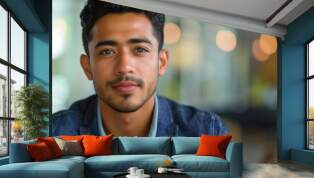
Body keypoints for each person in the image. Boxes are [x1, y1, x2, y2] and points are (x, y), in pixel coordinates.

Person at [52, 0, 228, 137]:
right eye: (107, 51)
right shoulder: (55, 133)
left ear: (162, 62)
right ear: (87, 66)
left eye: (140, 50)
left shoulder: (205, 131)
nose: (124, 67)